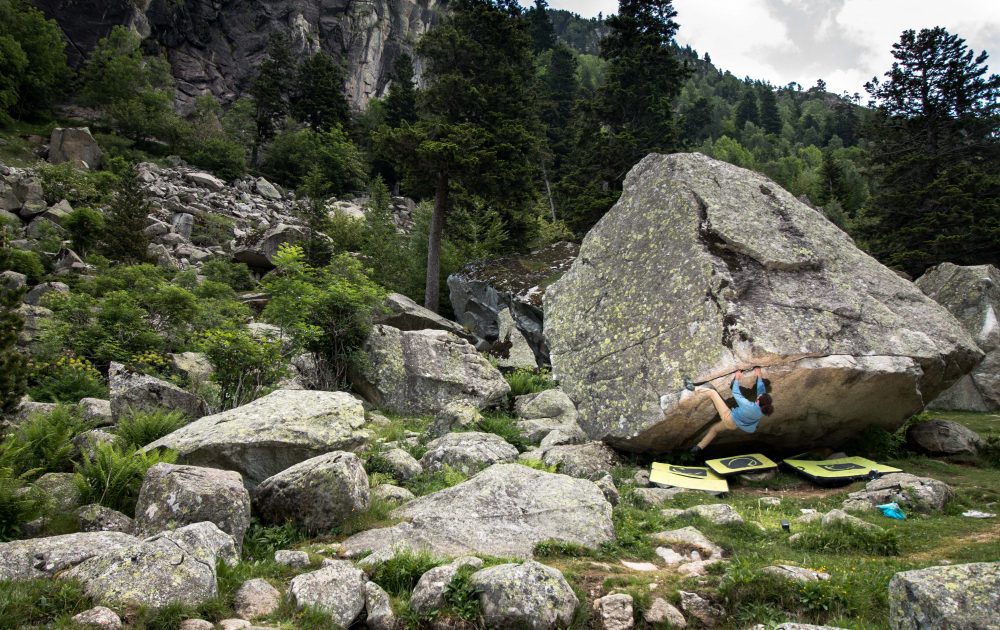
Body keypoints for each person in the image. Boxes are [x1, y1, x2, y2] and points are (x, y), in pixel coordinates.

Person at [688, 367, 774, 456]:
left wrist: (737, 378)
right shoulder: (763, 410)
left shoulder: (748, 405)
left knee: (712, 393)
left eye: (758, 398)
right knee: (714, 430)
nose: (758, 396)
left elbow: (736, 392)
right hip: (734, 425)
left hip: (728, 417)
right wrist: (759, 375)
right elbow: (761, 392)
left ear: (758, 401)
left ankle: (692, 388)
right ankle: (698, 448)